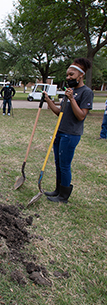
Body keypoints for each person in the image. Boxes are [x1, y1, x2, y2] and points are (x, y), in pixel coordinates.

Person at [44, 58, 94, 204]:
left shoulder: (86, 92)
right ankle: (58, 189)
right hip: (60, 132)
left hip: (71, 134)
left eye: (71, 75)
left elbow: (81, 116)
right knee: (58, 163)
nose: (68, 78)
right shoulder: (69, 91)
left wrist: (72, 99)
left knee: (65, 165)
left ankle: (63, 196)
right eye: (67, 75)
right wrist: (48, 101)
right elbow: (60, 112)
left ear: (81, 75)